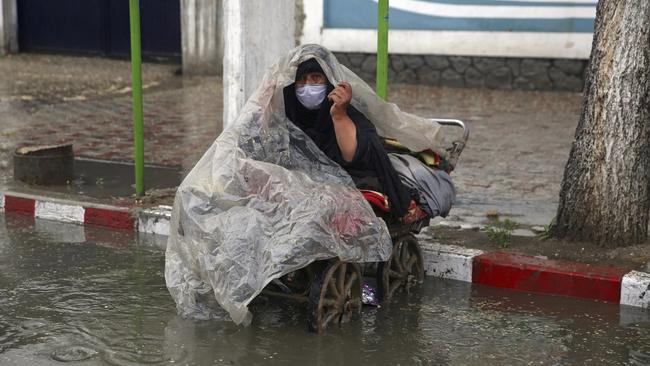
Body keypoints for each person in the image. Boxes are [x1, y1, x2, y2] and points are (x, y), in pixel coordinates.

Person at [283, 58, 455, 219]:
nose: (308, 86)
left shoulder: (349, 114)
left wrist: (339, 115)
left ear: (330, 82)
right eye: (302, 80)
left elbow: (352, 157)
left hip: (348, 177)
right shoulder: (287, 114)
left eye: (316, 78)